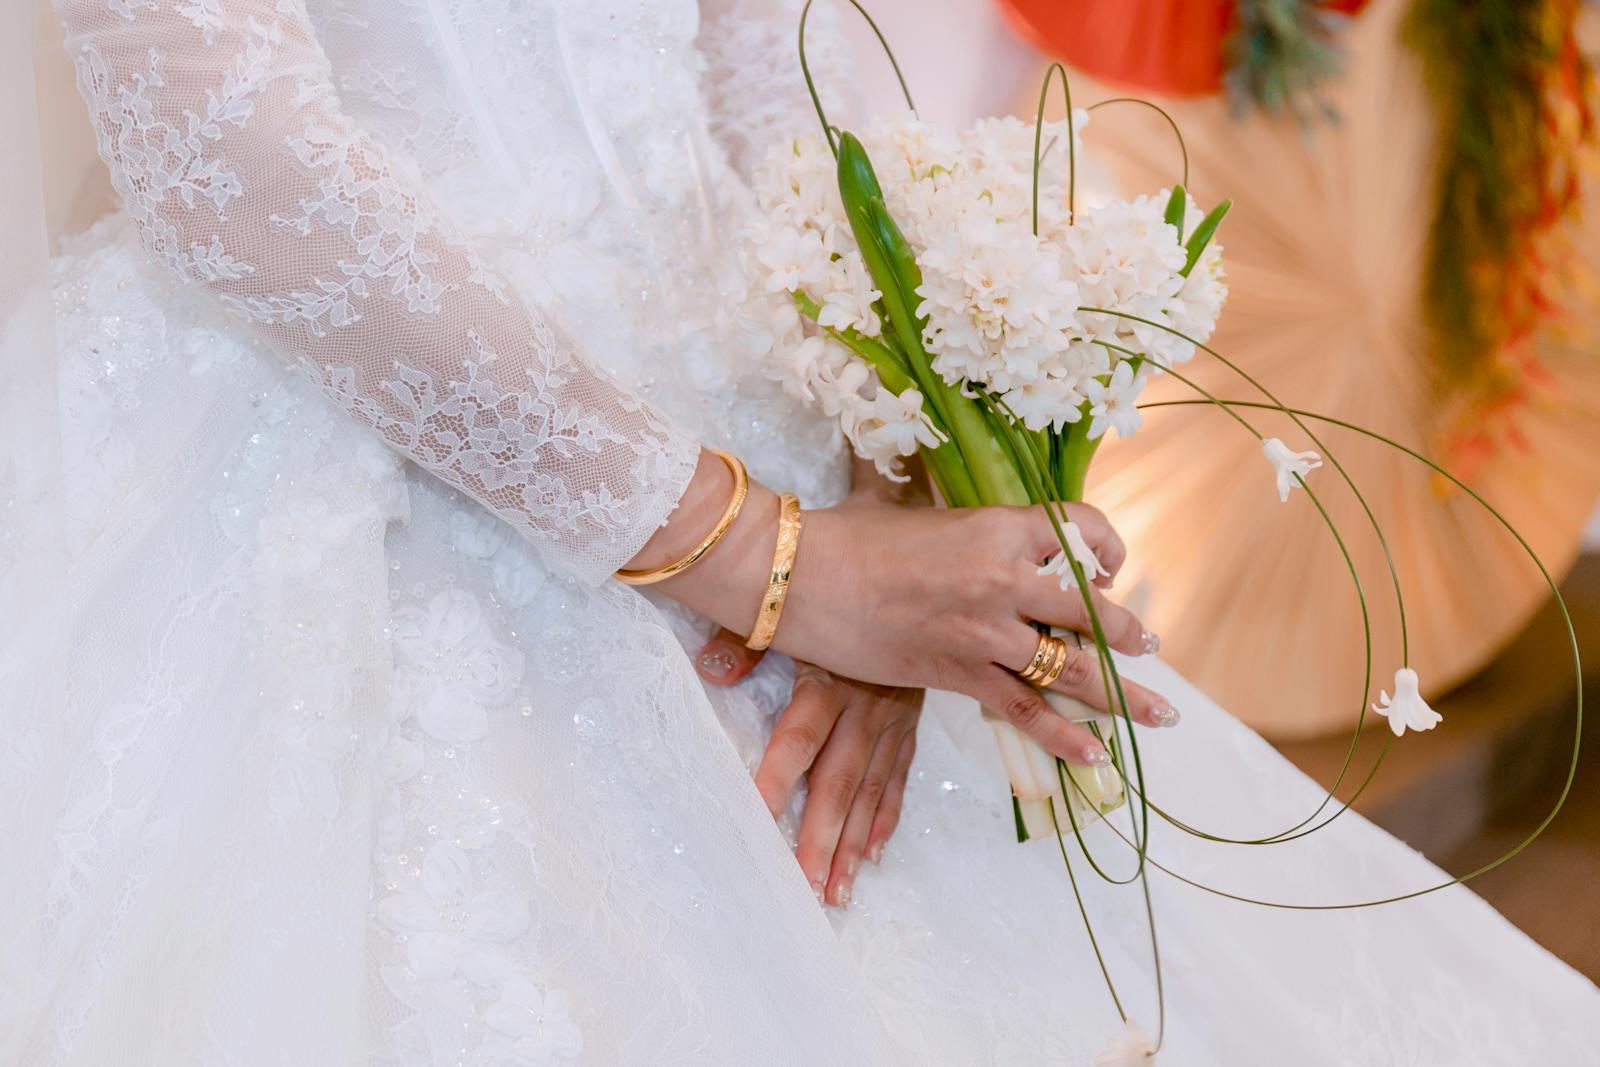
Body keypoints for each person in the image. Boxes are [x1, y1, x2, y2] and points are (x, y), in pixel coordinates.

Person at [4, 1, 1595, 1063]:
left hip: (754, 390)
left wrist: (886, 475)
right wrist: (777, 562)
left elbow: (768, 77)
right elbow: (225, 162)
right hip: (350, 443)